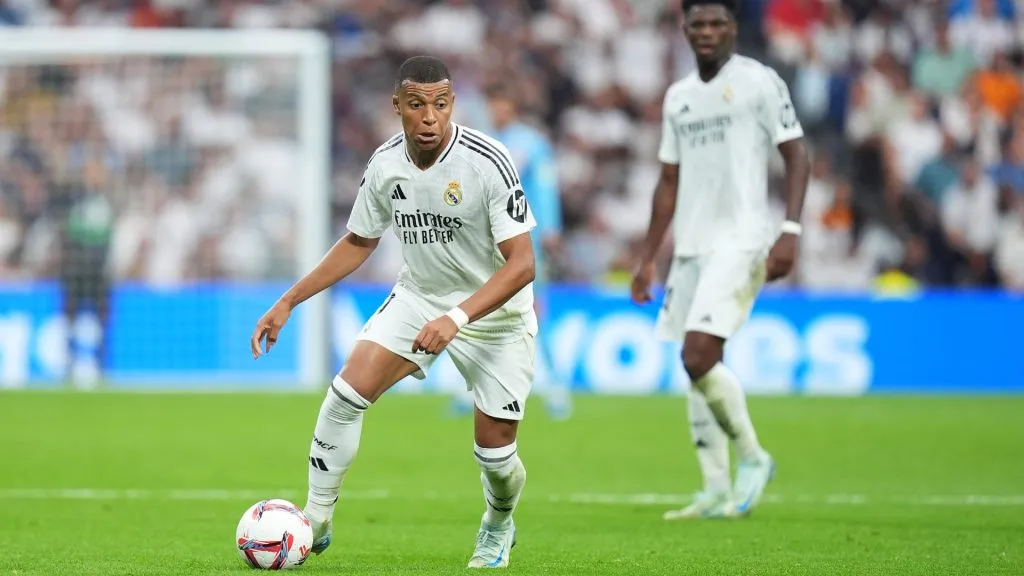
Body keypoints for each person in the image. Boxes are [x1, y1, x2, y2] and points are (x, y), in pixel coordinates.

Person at [251, 56, 538, 568]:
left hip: (495, 313)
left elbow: (523, 264)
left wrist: (457, 319)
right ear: (398, 107)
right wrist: (288, 299)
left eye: (441, 104)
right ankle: (315, 518)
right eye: (417, 105)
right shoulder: (385, 164)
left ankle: (497, 523)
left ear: (453, 104)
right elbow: (359, 241)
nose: (430, 117)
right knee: (344, 394)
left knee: (495, 458)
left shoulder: (487, 160)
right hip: (421, 296)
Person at [631, 0, 810, 520]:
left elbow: (797, 153)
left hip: (742, 238)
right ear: (684, 30)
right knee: (698, 368)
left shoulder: (759, 81)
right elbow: (669, 180)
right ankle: (714, 488)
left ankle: (754, 458)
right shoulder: (679, 97)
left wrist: (790, 231)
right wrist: (647, 258)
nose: (706, 32)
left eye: (717, 23)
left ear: (734, 28)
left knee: (698, 354)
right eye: (697, 24)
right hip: (690, 245)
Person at [449, 84, 570, 420]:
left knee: (531, 313)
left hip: (522, 240)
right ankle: (469, 388)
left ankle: (555, 387)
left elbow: (544, 188)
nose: (498, 110)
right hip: (485, 241)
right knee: (478, 312)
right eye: (494, 104)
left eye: (503, 104)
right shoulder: (479, 141)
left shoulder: (532, 144)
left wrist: (551, 229)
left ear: (513, 106)